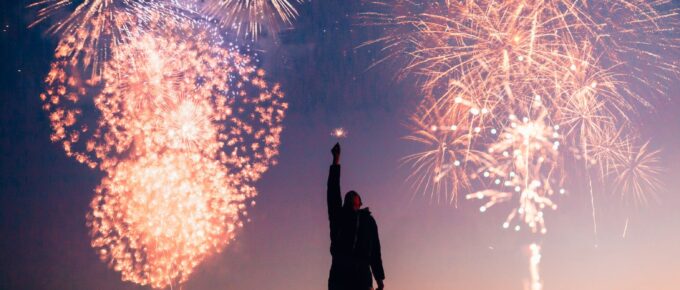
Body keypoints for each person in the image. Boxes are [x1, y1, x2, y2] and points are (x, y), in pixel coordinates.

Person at [327, 142, 385, 290]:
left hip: (362, 277)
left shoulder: (368, 220)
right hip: (340, 274)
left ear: (360, 202)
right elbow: (333, 192)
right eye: (348, 194)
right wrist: (336, 161)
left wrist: (379, 277)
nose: (351, 193)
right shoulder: (338, 216)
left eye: (354, 194)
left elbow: (375, 251)